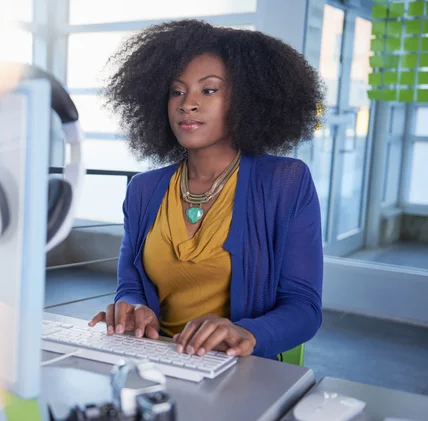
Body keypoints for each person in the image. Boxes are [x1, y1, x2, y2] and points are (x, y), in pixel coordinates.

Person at [88, 19, 325, 360]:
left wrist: (247, 332)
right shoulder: (144, 189)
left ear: (245, 101)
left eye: (209, 90)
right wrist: (132, 307)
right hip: (153, 362)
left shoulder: (284, 182)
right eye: (177, 91)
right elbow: (131, 283)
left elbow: (305, 308)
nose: (188, 104)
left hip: (236, 370)